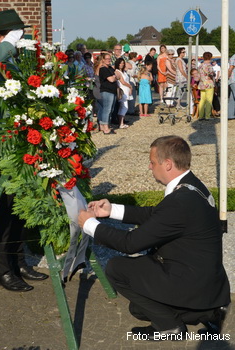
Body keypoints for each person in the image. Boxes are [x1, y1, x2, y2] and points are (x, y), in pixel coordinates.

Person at [78, 135, 230, 340]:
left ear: (167, 164)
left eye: (152, 162)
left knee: (117, 268)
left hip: (190, 280)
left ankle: (170, 328)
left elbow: (129, 244)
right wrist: (111, 210)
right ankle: (205, 312)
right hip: (208, 282)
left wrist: (89, 224)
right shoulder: (191, 185)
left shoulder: (180, 201)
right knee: (138, 309)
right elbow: (157, 214)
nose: (150, 167)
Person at [0, 10, 48, 294]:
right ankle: (2, 270)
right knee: (3, 215)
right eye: (15, 36)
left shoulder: (13, 64)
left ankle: (18, 263)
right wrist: (4, 47)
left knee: (20, 213)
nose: (20, 40)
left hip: (22, 153)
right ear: (1, 38)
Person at [98, 52, 118, 134]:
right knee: (107, 109)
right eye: (106, 59)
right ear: (103, 60)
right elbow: (111, 79)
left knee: (108, 109)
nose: (108, 60)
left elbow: (117, 75)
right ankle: (106, 127)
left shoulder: (110, 68)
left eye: (109, 59)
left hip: (112, 90)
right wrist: (115, 77)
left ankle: (103, 125)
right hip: (106, 91)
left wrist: (115, 76)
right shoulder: (103, 69)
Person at [115, 58, 132, 128]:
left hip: (126, 90)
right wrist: (130, 86)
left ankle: (122, 121)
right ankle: (121, 123)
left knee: (124, 106)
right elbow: (123, 82)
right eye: (120, 63)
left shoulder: (124, 71)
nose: (121, 64)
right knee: (124, 107)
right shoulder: (117, 71)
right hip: (122, 90)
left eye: (122, 63)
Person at [198, 52, 215, 120]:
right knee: (209, 100)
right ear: (210, 57)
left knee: (202, 100)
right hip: (209, 84)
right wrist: (213, 74)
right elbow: (211, 73)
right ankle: (207, 116)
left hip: (202, 83)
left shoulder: (200, 65)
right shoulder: (209, 65)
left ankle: (201, 116)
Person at [228, 53, 235, 120]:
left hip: (232, 80)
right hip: (234, 80)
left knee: (232, 98)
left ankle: (230, 114)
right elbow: (230, 68)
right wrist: (227, 76)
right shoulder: (234, 57)